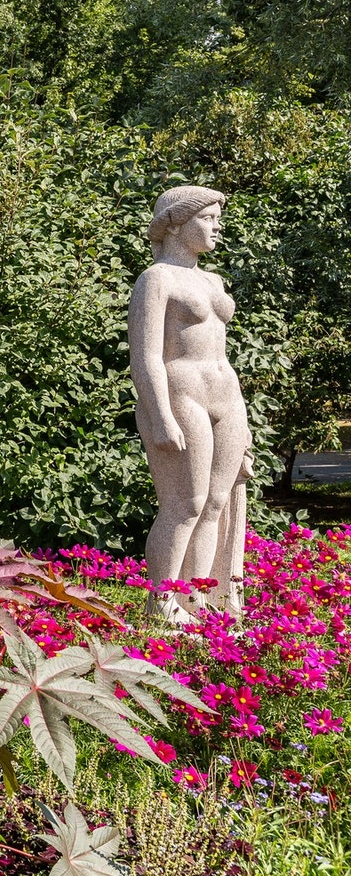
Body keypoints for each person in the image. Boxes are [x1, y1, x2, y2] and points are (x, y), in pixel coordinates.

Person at [129, 185, 253, 619]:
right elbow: (145, 355)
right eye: (209, 218)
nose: (218, 227)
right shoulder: (156, 278)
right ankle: (162, 604)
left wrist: (246, 423)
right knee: (186, 504)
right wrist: (159, 414)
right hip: (183, 394)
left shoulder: (212, 281)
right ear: (178, 223)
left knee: (218, 503)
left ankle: (196, 599)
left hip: (226, 394)